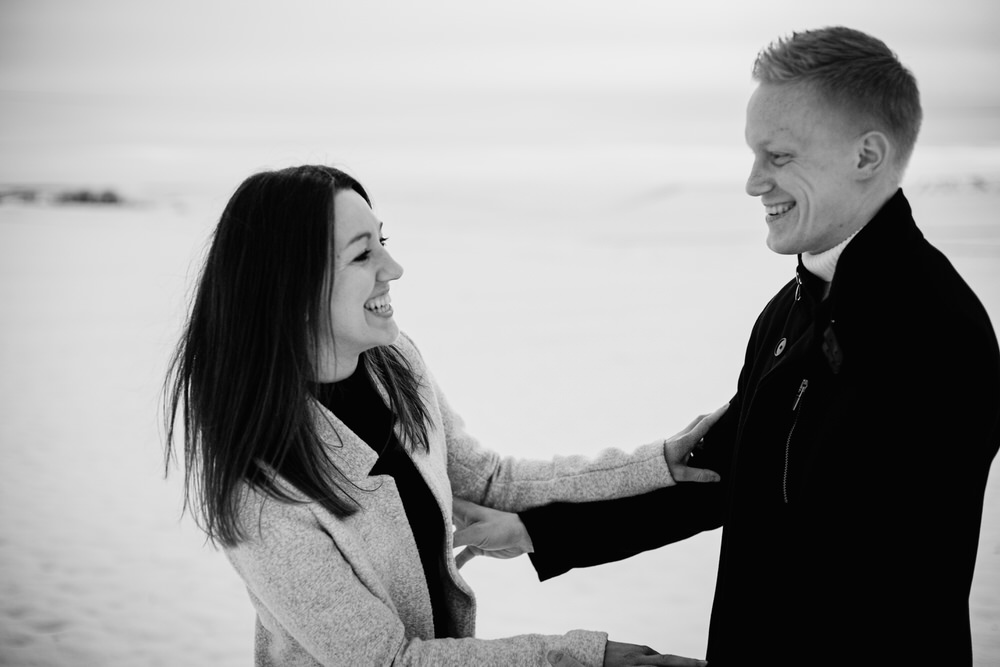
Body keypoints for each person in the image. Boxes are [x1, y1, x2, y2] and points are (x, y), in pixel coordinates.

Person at [453, 27, 1000, 666]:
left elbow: (880, 580)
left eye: (779, 156)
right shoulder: (791, 307)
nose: (753, 182)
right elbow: (723, 477)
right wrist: (537, 530)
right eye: (753, 155)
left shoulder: (934, 331)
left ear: (867, 156)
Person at [162, 164, 726, 666]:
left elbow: (488, 479)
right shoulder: (260, 490)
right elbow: (387, 660)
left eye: (383, 241)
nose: (394, 267)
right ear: (290, 283)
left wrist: (659, 462)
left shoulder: (392, 362)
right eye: (363, 254)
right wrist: (582, 658)